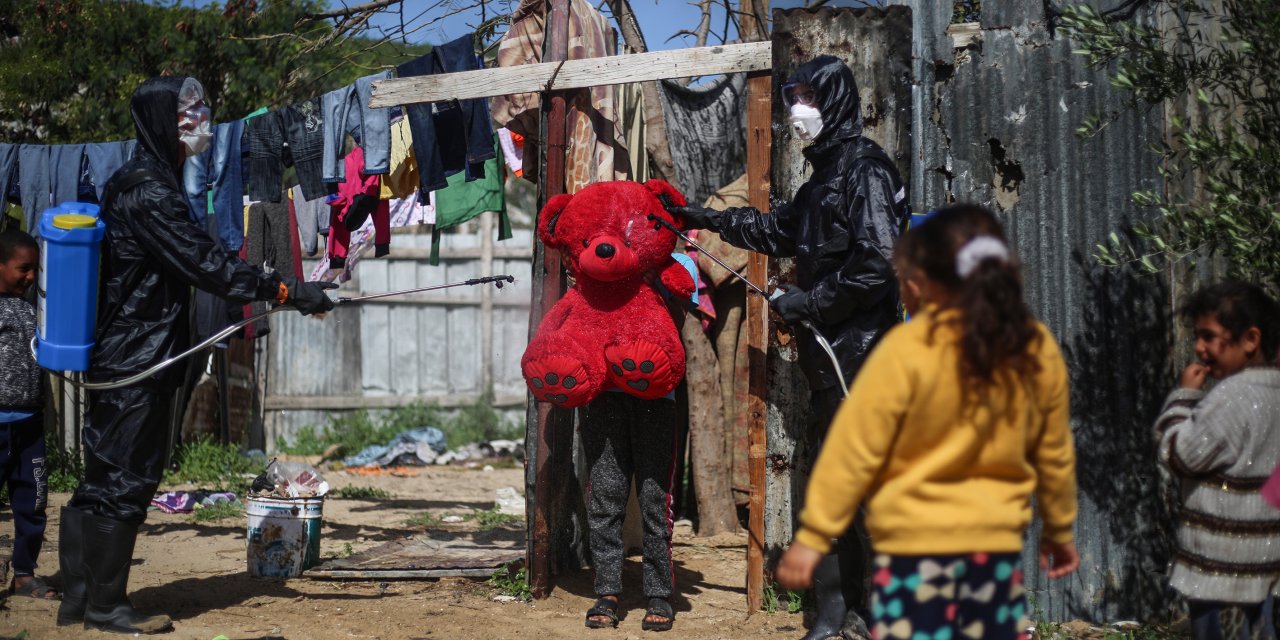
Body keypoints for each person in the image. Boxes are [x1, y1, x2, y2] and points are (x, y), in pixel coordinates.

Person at [56, 76, 337, 634]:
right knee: (126, 479)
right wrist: (285, 289)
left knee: (103, 477)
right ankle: (106, 606)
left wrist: (277, 284)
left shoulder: (148, 180)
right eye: (189, 110)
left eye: (202, 107)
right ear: (162, 120)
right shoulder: (148, 191)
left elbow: (201, 252)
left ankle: (79, 601)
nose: (201, 118)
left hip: (132, 351)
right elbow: (205, 265)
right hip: (136, 356)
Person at [668, 54, 907, 639]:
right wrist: (708, 220)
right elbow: (778, 230)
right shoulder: (822, 175)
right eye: (793, 94)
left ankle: (881, 618)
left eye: (809, 96)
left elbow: (879, 263)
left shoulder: (865, 169)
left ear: (837, 101)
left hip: (865, 358)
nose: (798, 108)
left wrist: (813, 301)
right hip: (829, 359)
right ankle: (838, 618)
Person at [775, 204, 1080, 640]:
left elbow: (851, 449)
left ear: (922, 284)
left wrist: (816, 533)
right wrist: (1059, 526)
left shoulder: (907, 349)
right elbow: (1053, 450)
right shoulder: (1033, 347)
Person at [1154, 280, 1280, 639]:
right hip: (1263, 564)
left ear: (1250, 340)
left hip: (1221, 571)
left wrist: (1183, 398)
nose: (1198, 347)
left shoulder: (1230, 399)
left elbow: (1178, 455)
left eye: (1209, 336)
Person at [582, 254, 699, 633]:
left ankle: (659, 593)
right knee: (605, 495)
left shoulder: (679, 263)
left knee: (654, 497)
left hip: (655, 396)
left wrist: (652, 277)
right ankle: (607, 592)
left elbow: (677, 322)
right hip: (604, 393)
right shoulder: (596, 258)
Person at [0, 229, 59, 600]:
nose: (31, 276)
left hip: (29, 424)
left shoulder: (33, 308)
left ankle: (23, 574)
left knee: (33, 500)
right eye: (23, 268)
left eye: (35, 269)